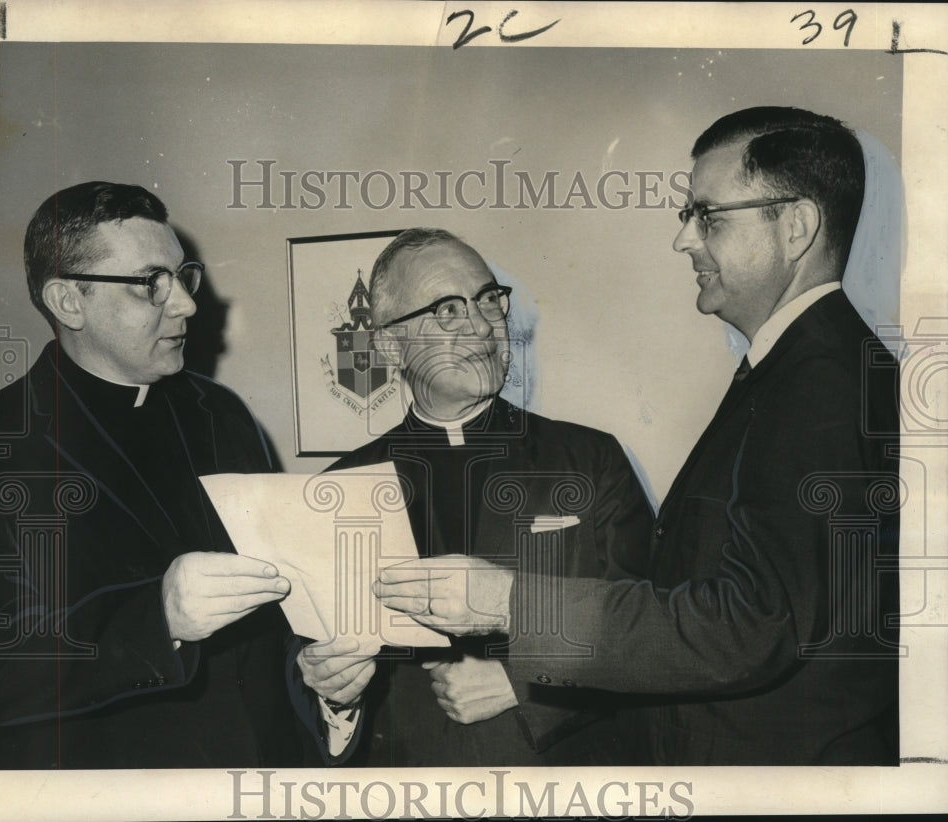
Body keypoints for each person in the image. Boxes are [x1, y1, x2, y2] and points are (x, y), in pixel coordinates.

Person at [375, 108, 901, 765]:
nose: (684, 240)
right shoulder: (799, 370)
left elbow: (749, 627)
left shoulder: (819, 381)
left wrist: (505, 600)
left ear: (794, 227)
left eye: (707, 216)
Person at [0, 181, 364, 768]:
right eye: (150, 284)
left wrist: (327, 685)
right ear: (68, 302)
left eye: (181, 275)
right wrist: (156, 618)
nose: (187, 303)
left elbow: (280, 617)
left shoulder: (221, 414)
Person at [325, 228, 654, 766]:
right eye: (447, 311)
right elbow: (322, 669)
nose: (482, 327)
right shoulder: (341, 487)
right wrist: (334, 699)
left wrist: (525, 684)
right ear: (389, 343)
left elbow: (647, 629)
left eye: (487, 300)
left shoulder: (590, 458)